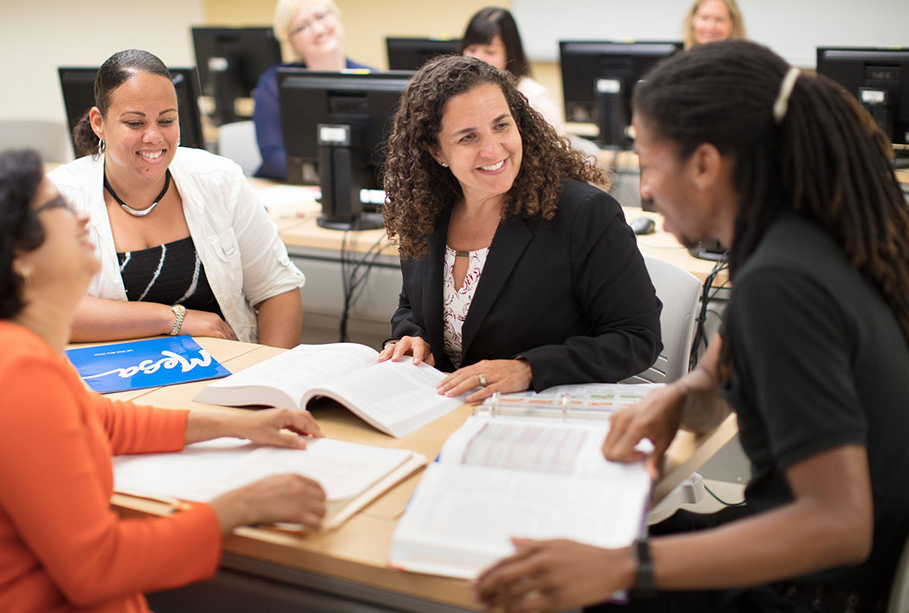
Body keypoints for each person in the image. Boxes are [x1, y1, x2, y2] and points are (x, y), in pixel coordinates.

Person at [475, 40, 909, 612]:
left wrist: (625, 566)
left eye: (650, 164)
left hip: (818, 587)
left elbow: (838, 524)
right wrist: (679, 397)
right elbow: (713, 381)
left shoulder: (781, 286)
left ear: (704, 164)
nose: (647, 189)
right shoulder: (800, 239)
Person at [0, 150, 328, 612]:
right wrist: (242, 507)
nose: (81, 217)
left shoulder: (3, 349)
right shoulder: (8, 374)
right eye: (57, 209)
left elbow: (103, 423)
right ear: (16, 259)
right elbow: (96, 568)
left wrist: (238, 424)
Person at [378, 56, 662, 403]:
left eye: (501, 126)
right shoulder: (427, 212)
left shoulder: (583, 214)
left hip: (545, 415)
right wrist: (410, 337)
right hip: (451, 412)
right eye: (468, 137)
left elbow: (638, 338)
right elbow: (411, 303)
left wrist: (529, 369)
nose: (493, 149)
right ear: (437, 151)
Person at [49, 49, 305, 347]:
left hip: (228, 373)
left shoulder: (219, 179)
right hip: (117, 381)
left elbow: (277, 288)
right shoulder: (60, 196)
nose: (154, 137)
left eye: (167, 121)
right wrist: (173, 319)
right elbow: (48, 310)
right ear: (98, 122)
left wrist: (267, 377)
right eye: (135, 123)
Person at [253, 0, 370, 179]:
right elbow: (272, 155)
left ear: (336, 16)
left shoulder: (371, 78)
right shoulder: (273, 84)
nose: (318, 30)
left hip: (358, 190)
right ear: (291, 42)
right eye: (302, 27)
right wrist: (327, 180)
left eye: (321, 16)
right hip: (291, 189)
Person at [459, 7, 566, 137]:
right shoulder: (461, 94)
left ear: (510, 53)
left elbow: (556, 150)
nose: (477, 58)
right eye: (471, 49)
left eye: (490, 52)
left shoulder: (534, 96)